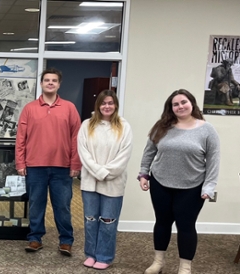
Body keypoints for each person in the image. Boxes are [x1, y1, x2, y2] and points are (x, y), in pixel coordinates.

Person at [139, 89, 220, 274]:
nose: (180, 106)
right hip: (160, 183)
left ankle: (185, 267)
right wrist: (143, 174)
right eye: (175, 104)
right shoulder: (162, 126)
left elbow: (214, 160)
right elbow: (149, 152)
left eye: (183, 102)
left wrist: (209, 186)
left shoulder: (207, 129)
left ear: (192, 103)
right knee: (162, 223)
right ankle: (158, 262)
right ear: (171, 107)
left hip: (192, 187)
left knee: (186, 226)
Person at [15, 68, 81, 256]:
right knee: (36, 204)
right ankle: (35, 239)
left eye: (54, 80)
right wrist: (20, 162)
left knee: (62, 205)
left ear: (59, 84)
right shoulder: (30, 108)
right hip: (35, 166)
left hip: (62, 167)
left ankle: (66, 241)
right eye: (46, 80)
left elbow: (77, 138)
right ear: (42, 84)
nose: (50, 83)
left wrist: (76, 164)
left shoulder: (69, 108)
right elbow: (21, 138)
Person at [77, 90, 133, 270]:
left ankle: (104, 256)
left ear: (115, 105)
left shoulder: (124, 127)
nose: (106, 106)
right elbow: (83, 154)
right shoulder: (87, 125)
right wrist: (98, 172)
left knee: (108, 221)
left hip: (113, 182)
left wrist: (104, 173)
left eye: (110, 103)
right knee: (90, 219)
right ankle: (91, 254)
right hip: (89, 182)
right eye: (103, 103)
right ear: (98, 105)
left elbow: (123, 157)